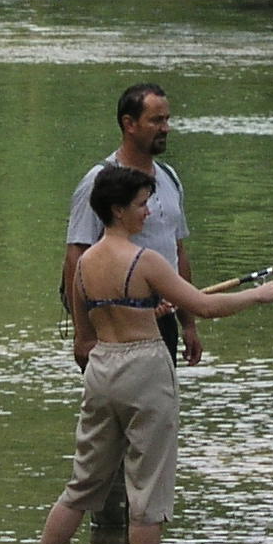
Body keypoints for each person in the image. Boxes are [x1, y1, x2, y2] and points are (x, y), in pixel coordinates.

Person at [43, 164, 273, 544]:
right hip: (146, 371)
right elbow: (205, 306)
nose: (149, 212)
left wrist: (143, 311)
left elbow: (88, 332)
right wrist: (260, 294)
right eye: (141, 204)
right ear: (118, 210)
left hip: (102, 370)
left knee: (82, 486)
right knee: (148, 496)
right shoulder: (147, 260)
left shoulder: (83, 265)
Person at [62, 83, 198, 366]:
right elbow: (76, 256)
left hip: (164, 323)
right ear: (129, 124)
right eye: (156, 120)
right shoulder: (98, 182)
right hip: (115, 328)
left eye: (167, 119)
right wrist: (83, 335)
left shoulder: (170, 177)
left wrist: (189, 324)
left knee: (160, 409)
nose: (165, 128)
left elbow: (178, 251)